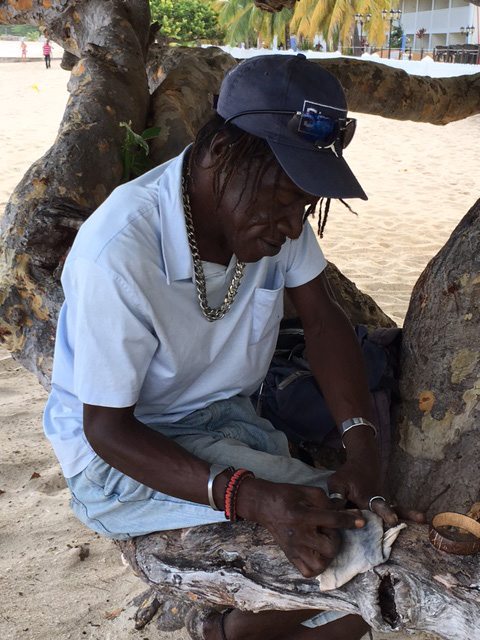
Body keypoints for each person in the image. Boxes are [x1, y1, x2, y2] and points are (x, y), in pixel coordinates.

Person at [44, 54, 418, 640]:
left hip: (226, 423)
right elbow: (106, 431)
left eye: (306, 205)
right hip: (119, 460)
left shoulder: (266, 209)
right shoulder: (118, 251)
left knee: (358, 555)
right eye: (285, 200)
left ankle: (237, 630)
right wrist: (247, 496)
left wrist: (361, 448)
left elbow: (324, 324)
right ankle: (233, 631)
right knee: (358, 546)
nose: (294, 227)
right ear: (221, 155)